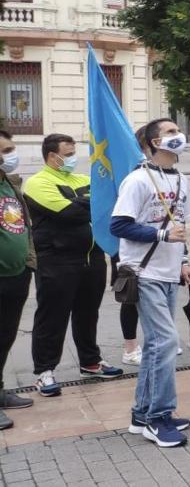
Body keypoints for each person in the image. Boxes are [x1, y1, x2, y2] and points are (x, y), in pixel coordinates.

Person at [110, 118, 190, 447]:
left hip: (169, 272)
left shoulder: (181, 179)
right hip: (142, 273)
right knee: (165, 342)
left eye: (178, 131)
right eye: (171, 133)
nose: (178, 136)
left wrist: (184, 261)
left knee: (158, 346)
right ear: (153, 143)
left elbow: (180, 225)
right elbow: (118, 225)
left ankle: (142, 414)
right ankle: (159, 418)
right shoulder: (137, 180)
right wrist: (161, 234)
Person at [24, 133, 121, 398]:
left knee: (88, 314)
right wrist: (92, 204)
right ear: (51, 156)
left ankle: (91, 361)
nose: (71, 158)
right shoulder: (37, 183)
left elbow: (108, 205)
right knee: (52, 317)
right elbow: (68, 214)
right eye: (67, 154)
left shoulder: (84, 179)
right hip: (57, 261)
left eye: (72, 152)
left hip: (92, 259)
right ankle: (44, 371)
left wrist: (91, 204)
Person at [0, 131, 34, 429]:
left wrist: (28, 263)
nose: (10, 154)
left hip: (17, 274)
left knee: (5, 337)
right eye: (5, 150)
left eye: (11, 148)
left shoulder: (9, 183)